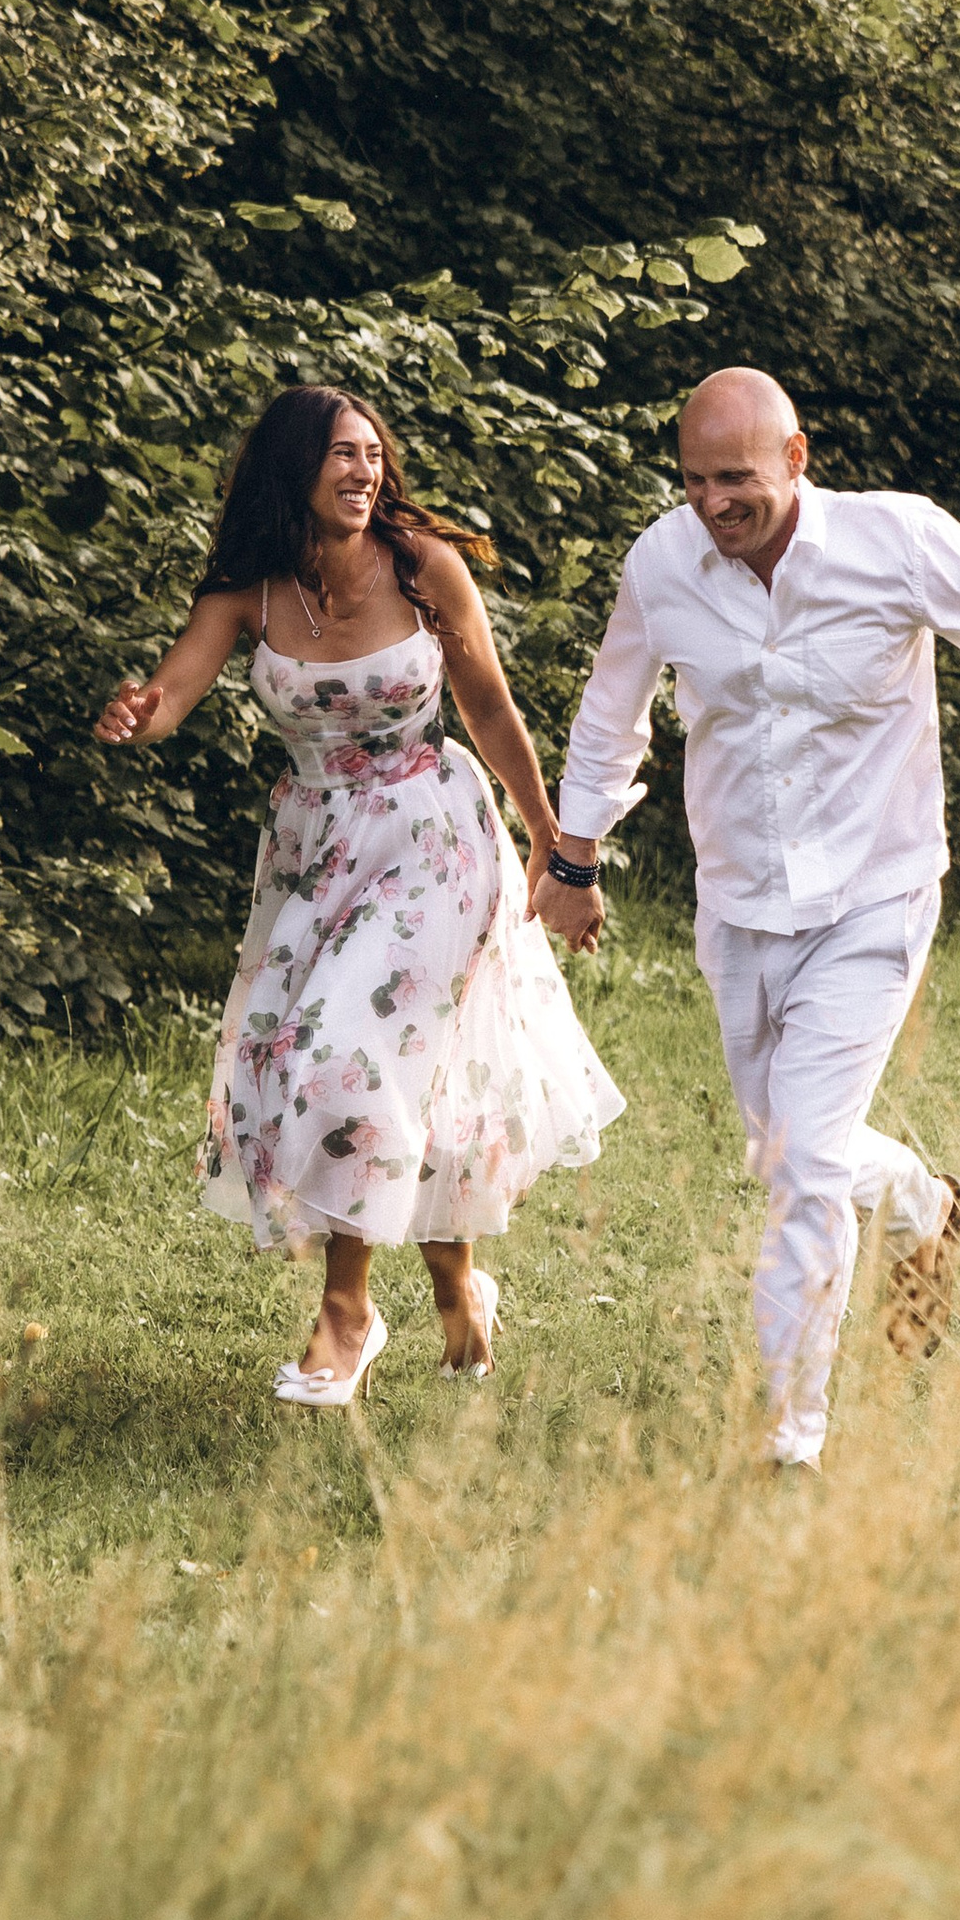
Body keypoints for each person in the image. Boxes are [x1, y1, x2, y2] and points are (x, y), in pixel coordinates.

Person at [531, 368, 960, 1469]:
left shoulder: (896, 541)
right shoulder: (663, 563)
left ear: (796, 459)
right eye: (694, 480)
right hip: (740, 900)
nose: (713, 503)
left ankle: (790, 1432)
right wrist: (574, 858)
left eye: (735, 477)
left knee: (800, 1168)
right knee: (783, 1147)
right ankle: (923, 1205)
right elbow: (610, 715)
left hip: (873, 893)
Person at [95, 384, 622, 1406]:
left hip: (434, 835)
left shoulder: (423, 567)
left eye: (373, 454)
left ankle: (347, 1314)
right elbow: (173, 693)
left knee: (342, 1055)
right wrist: (137, 715)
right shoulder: (249, 593)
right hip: (315, 850)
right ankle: (458, 1282)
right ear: (294, 467)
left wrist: (556, 850)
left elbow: (489, 708)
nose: (364, 471)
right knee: (393, 1072)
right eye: (343, 453)